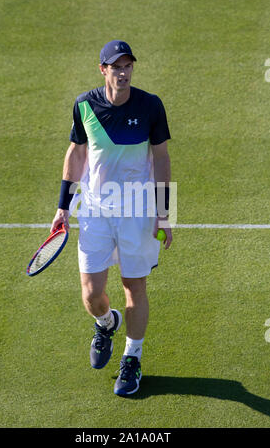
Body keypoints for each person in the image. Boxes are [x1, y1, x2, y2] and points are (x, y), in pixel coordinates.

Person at [51, 40, 172, 397]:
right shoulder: (84, 105)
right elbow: (76, 152)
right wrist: (63, 207)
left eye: (128, 66)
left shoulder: (150, 106)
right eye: (115, 67)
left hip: (137, 210)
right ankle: (106, 322)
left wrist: (164, 213)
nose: (123, 72)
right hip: (95, 211)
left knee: (134, 287)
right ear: (102, 69)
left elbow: (162, 158)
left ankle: (132, 358)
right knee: (91, 293)